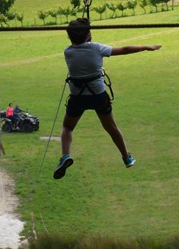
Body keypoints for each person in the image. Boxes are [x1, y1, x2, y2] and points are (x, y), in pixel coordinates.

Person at [54, 17, 161, 179]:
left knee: (67, 128)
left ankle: (65, 156)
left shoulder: (67, 52)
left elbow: (82, 47)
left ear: (70, 36)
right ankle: (126, 157)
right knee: (111, 127)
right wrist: (145, 47)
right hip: (98, 96)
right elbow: (124, 50)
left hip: (78, 97)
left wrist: (86, 36)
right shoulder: (97, 48)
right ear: (88, 35)